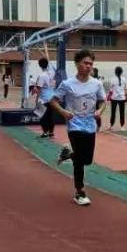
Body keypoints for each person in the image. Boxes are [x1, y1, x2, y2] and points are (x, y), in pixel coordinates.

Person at [50, 50, 107, 207]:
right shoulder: (67, 84)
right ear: (77, 64)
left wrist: (99, 111)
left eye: (91, 64)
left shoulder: (97, 84)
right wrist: (63, 112)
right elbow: (53, 101)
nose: (88, 66)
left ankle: (68, 153)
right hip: (74, 125)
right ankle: (79, 192)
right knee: (80, 161)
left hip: (90, 125)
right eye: (85, 63)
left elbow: (103, 101)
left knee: (87, 160)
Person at [36, 54, 57, 139]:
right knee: (50, 116)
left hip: (43, 99)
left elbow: (39, 89)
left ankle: (45, 132)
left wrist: (36, 100)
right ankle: (51, 133)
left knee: (41, 115)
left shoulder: (41, 76)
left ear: (39, 65)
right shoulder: (52, 73)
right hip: (52, 98)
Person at [108, 66, 127, 131]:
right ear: (121, 72)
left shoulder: (112, 79)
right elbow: (125, 89)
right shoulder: (124, 79)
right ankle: (122, 126)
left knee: (113, 112)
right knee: (122, 113)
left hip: (114, 98)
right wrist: (126, 96)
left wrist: (108, 97)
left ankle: (111, 126)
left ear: (115, 72)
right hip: (122, 98)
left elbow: (110, 89)